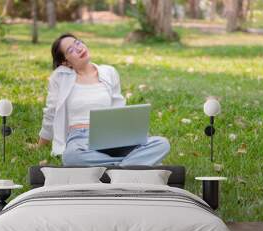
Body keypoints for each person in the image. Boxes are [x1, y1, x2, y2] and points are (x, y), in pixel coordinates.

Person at [38, 33, 170, 166]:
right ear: (65, 62)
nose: (78, 48)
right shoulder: (60, 77)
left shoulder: (109, 72)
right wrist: (41, 144)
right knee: (71, 156)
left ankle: (112, 168)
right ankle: (130, 166)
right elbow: (51, 113)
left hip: (112, 136)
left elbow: (119, 108)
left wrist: (133, 134)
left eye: (77, 43)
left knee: (162, 143)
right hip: (81, 139)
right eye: (70, 50)